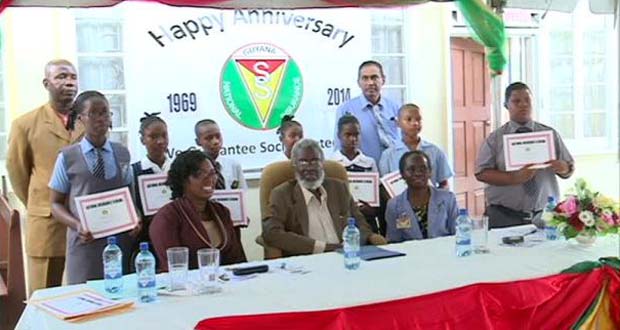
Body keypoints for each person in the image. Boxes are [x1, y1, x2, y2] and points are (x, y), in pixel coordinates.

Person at [6, 59, 84, 292]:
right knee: (44, 293)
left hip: (83, 219)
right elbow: (17, 172)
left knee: (85, 290)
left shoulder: (88, 120)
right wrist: (40, 202)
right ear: (46, 83)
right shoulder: (25, 124)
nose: (68, 82)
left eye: (72, 77)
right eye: (61, 77)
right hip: (47, 220)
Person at [49, 91, 138, 284]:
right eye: (94, 113)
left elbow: (130, 197)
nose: (101, 118)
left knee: (122, 303)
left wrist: (136, 217)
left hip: (119, 245)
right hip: (85, 246)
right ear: (80, 118)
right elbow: (55, 205)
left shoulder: (122, 154)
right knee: (86, 305)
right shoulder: (67, 157)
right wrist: (77, 225)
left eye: (105, 112)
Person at [476, 82, 575, 228]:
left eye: (527, 100)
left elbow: (569, 168)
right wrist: (514, 178)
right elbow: (481, 173)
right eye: (516, 101)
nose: (523, 105)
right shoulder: (495, 139)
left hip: (545, 217)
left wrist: (563, 168)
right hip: (505, 216)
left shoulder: (549, 135)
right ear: (506, 105)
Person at [262, 138, 379, 256]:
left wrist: (353, 244)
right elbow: (271, 232)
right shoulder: (282, 194)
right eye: (303, 162)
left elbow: (361, 224)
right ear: (294, 165)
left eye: (315, 161)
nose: (310, 167)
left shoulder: (339, 188)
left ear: (322, 164)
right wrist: (323, 248)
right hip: (308, 261)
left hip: (347, 256)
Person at [150, 150, 247, 270]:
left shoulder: (222, 212)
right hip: (188, 286)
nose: (209, 179)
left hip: (228, 283)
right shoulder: (167, 217)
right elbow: (173, 268)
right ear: (183, 179)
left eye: (212, 173)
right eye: (200, 174)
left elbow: (238, 260)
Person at [333, 60, 400, 165]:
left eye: (374, 77)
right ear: (358, 82)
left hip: (393, 171)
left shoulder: (395, 108)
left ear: (383, 80)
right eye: (365, 78)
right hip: (363, 172)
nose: (370, 83)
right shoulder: (346, 110)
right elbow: (339, 147)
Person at [385, 151, 458, 243]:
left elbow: (457, 234)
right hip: (410, 255)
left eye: (423, 169)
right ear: (402, 174)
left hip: (443, 252)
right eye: (411, 169)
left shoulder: (448, 199)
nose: (418, 173)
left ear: (430, 172)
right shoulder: (394, 205)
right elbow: (394, 241)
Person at [379, 103, 453, 189]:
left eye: (418, 119)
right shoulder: (388, 155)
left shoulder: (435, 151)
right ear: (397, 123)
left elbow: (444, 184)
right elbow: (384, 187)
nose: (415, 123)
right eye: (409, 119)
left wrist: (437, 200)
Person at [130, 112, 170, 270]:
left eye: (164, 135)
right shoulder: (134, 171)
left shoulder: (178, 169)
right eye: (153, 137)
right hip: (146, 242)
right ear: (142, 140)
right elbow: (131, 205)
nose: (160, 141)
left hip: (175, 238)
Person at [330, 114, 381, 233]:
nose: (353, 139)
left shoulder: (369, 162)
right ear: (339, 136)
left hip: (366, 219)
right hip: (341, 220)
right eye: (348, 135)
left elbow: (376, 194)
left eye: (356, 134)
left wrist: (372, 208)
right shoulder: (332, 164)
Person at [194, 119, 247, 190]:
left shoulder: (234, 165)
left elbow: (243, 193)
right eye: (209, 138)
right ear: (198, 142)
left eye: (218, 136)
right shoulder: (194, 167)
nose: (215, 141)